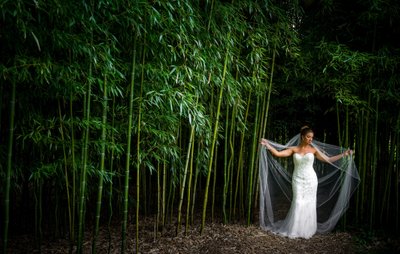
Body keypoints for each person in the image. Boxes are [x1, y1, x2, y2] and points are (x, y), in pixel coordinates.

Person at [259, 126, 360, 239]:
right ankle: (294, 229)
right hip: (297, 179)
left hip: (311, 180)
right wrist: (268, 145)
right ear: (302, 137)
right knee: (297, 201)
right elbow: (278, 154)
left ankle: (307, 229)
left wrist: (344, 154)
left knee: (309, 203)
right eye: (308, 137)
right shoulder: (294, 149)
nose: (310, 139)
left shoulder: (314, 150)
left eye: (312, 137)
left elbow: (328, 159)